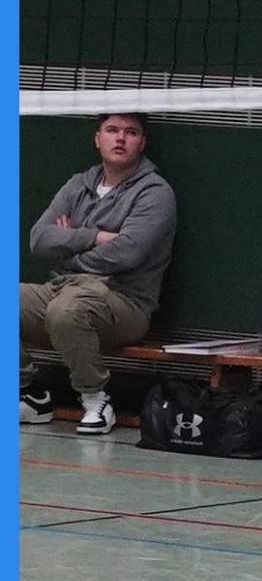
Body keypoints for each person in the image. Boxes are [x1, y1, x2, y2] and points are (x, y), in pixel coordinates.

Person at [22, 113, 177, 435]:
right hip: (63, 287)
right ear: (97, 139)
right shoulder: (79, 184)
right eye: (112, 130)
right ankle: (29, 393)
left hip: (124, 301)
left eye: (130, 132)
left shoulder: (155, 193)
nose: (120, 138)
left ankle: (95, 400)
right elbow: (39, 238)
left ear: (142, 142)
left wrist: (69, 245)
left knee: (67, 311)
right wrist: (94, 236)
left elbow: (127, 253)